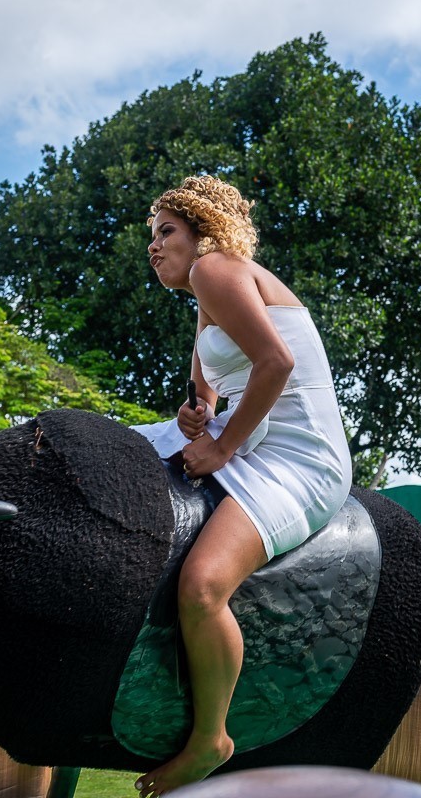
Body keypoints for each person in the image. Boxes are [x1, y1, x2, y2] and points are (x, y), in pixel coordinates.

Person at [129, 175, 352, 796]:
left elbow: (276, 363)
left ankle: (211, 739)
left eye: (166, 231)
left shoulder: (216, 270)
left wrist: (221, 445)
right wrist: (194, 417)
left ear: (202, 232)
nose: (154, 246)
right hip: (249, 439)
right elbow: (207, 394)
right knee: (115, 448)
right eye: (152, 235)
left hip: (300, 458)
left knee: (201, 587)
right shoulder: (205, 298)